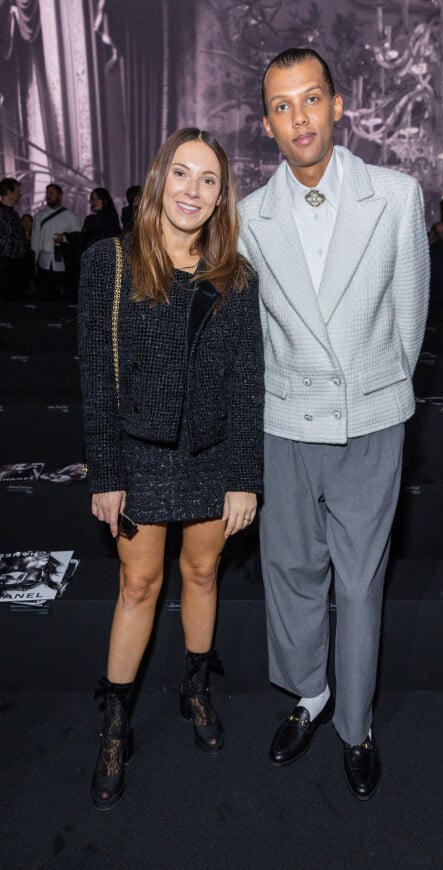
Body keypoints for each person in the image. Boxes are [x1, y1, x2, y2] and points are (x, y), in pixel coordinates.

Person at [238, 48, 429, 801]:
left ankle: (356, 724)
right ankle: (308, 695)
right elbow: (252, 332)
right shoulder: (249, 216)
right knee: (288, 572)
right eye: (282, 107)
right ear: (267, 125)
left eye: (310, 99)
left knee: (359, 582)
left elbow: (408, 321)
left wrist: (376, 390)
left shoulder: (397, 195)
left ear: (338, 105)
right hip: (285, 419)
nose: (299, 118)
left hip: (369, 417)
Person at [77, 127, 264, 811]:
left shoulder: (236, 277)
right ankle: (116, 721)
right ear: (160, 181)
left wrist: (245, 475)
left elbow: (248, 383)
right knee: (139, 585)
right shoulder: (112, 262)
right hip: (139, 453)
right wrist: (106, 472)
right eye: (181, 174)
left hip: (213, 455)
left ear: (221, 196)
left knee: (204, 572)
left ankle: (195, 687)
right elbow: (97, 376)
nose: (192, 190)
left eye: (208, 179)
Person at [31, 183, 81, 299]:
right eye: (47, 194)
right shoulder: (39, 215)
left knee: (63, 293)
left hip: (64, 261)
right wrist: (33, 262)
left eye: (52, 194)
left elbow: (78, 237)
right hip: (44, 260)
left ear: (60, 196)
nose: (49, 196)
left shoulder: (70, 216)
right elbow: (35, 239)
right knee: (45, 292)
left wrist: (64, 238)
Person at [0, 177, 26, 298]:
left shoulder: (15, 214)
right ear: (9, 192)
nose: (20, 194)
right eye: (18, 191)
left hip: (17, 265)